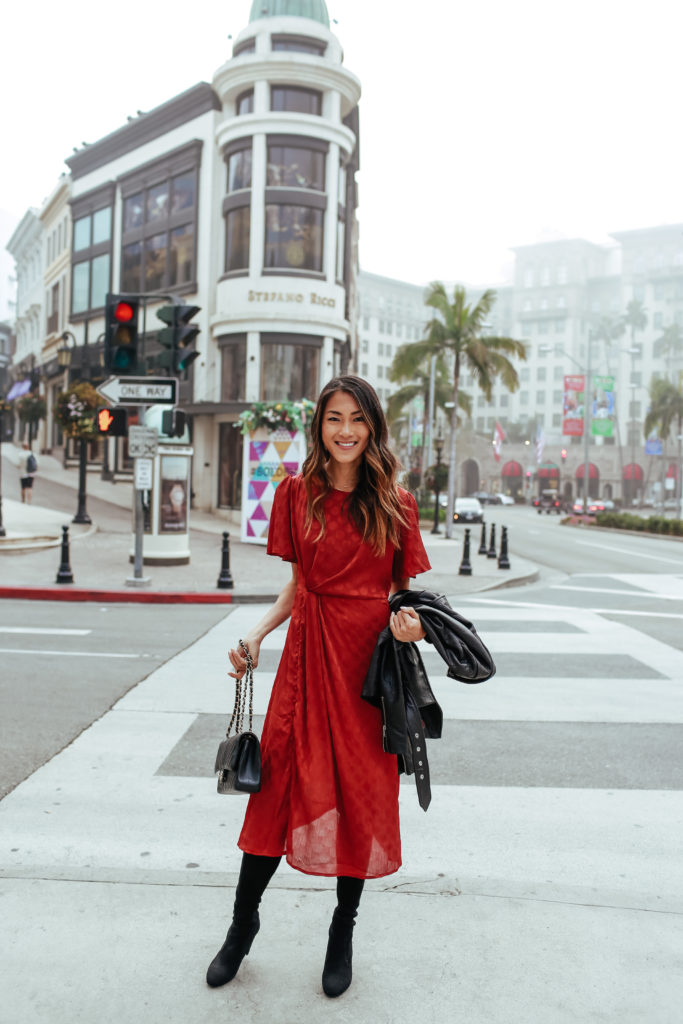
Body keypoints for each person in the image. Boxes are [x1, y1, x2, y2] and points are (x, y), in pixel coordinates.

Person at [206, 375, 431, 998]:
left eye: (357, 419)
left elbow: (397, 593)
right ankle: (241, 927)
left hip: (365, 676)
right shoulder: (297, 494)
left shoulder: (397, 503)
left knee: (358, 797)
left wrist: (408, 627)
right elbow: (299, 585)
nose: (346, 431)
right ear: (319, 425)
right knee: (275, 792)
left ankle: (342, 930)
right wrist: (254, 638)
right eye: (335, 418)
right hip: (304, 664)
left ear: (373, 427)